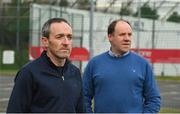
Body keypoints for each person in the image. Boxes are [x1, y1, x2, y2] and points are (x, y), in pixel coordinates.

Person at [83, 19, 161, 113]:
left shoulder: (143, 64)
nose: (127, 38)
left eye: (129, 34)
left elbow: (154, 99)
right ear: (110, 37)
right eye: (122, 34)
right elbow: (83, 97)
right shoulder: (94, 64)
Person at [7, 18, 83, 113]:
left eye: (69, 37)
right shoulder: (29, 73)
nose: (66, 42)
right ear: (45, 41)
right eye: (59, 37)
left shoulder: (75, 72)